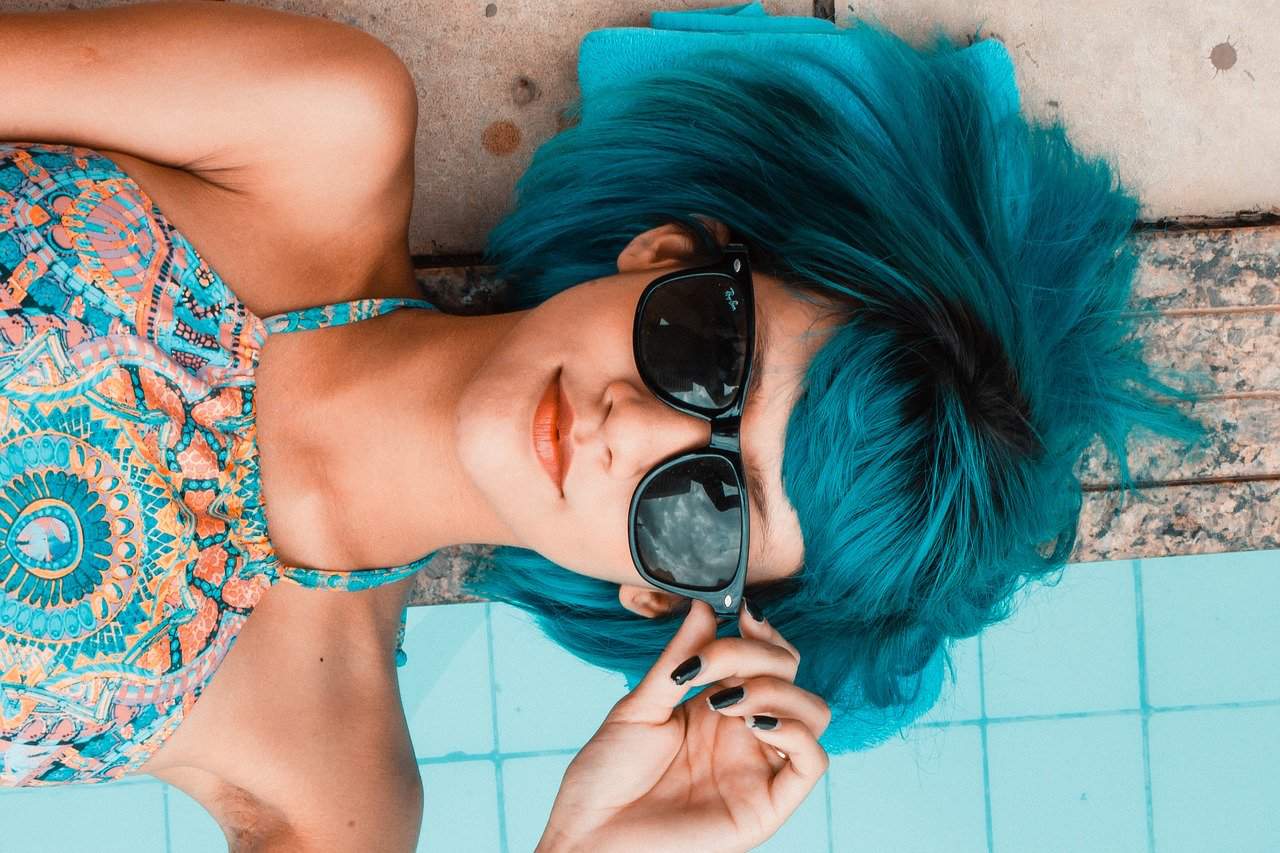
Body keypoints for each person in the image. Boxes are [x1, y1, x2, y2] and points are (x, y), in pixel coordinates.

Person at [0, 2, 1200, 851]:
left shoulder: (334, 789)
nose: (633, 427)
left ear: (660, 596)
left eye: (708, 505)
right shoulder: (316, 132)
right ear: (666, 256)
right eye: (702, 352)